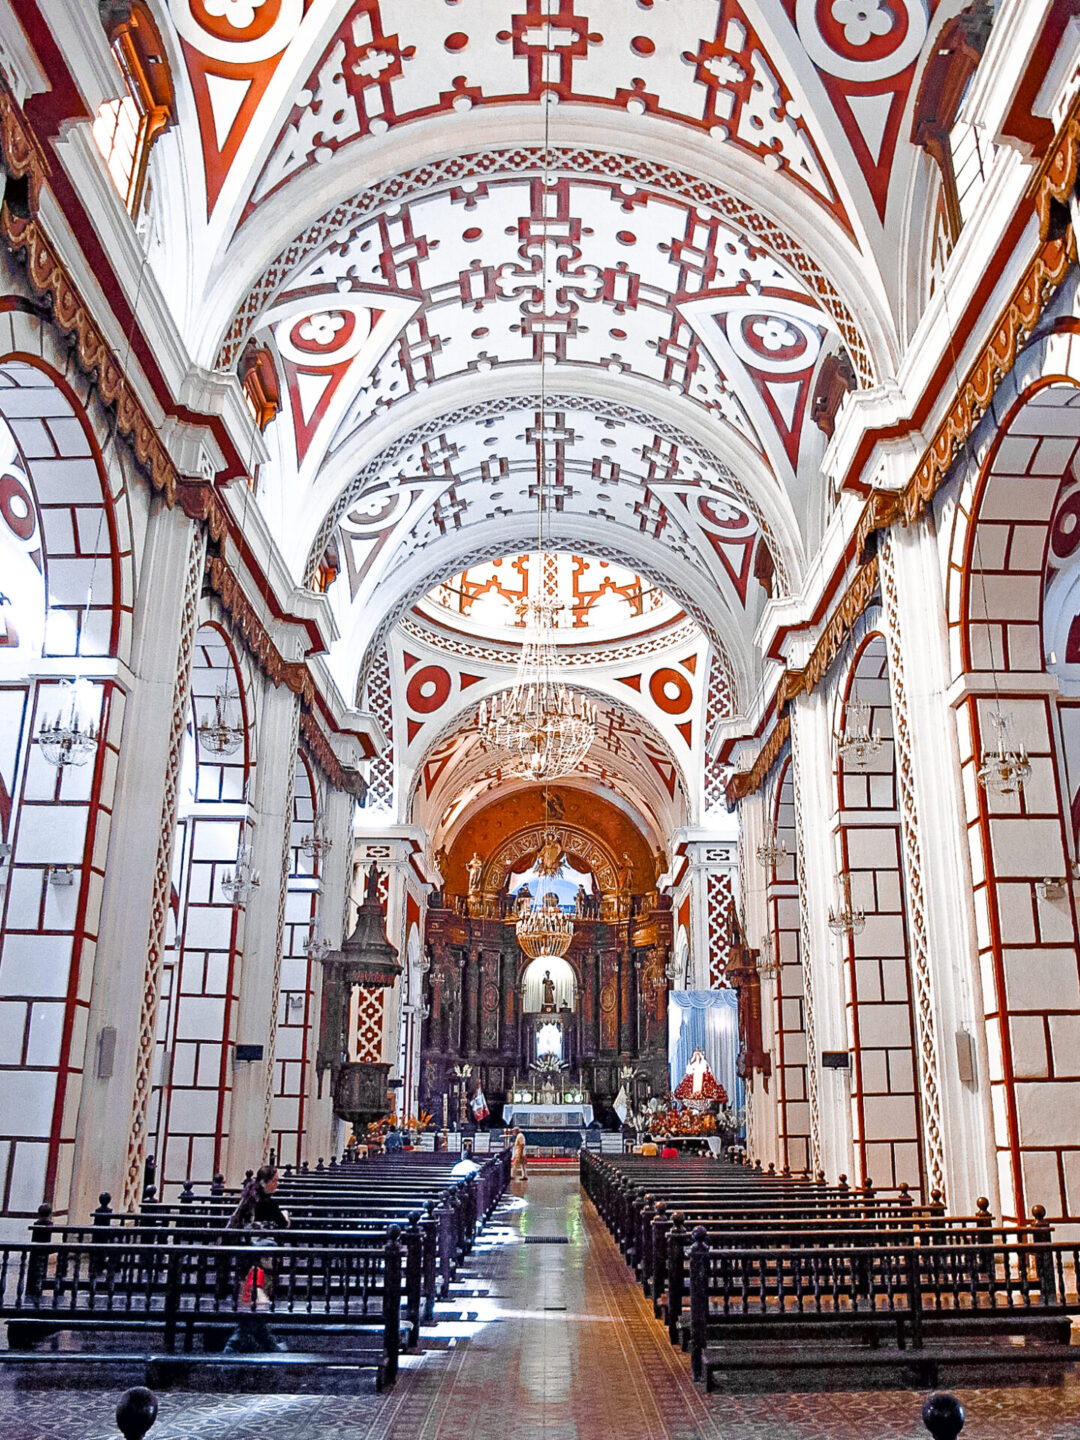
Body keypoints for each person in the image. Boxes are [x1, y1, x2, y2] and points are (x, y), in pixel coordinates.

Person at [223, 1164, 289, 1354]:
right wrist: (286, 1216)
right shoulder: (268, 1204)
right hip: (260, 1260)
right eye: (275, 1181)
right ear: (265, 1182)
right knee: (257, 1300)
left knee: (251, 1300)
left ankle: (244, 1341)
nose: (277, 1184)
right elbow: (282, 1223)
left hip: (246, 1259)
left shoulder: (247, 1201)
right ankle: (244, 1343)